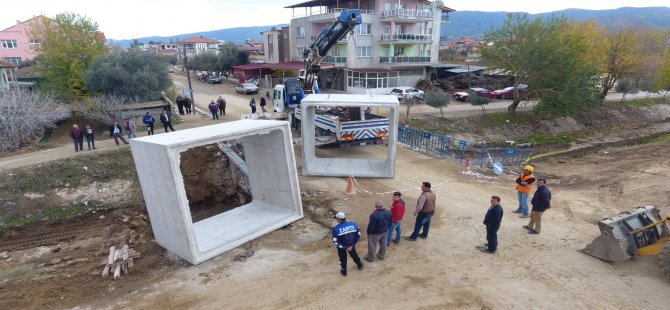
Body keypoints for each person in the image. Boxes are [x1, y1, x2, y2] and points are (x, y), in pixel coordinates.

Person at [332, 212, 364, 277]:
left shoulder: (336, 229)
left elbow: (335, 241)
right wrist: (352, 246)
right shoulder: (354, 225)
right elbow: (358, 236)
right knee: (354, 255)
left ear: (339, 220)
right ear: (345, 218)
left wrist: (344, 247)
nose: (336, 220)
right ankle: (360, 265)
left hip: (342, 247)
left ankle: (344, 271)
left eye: (337, 219)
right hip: (351, 245)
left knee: (342, 259)